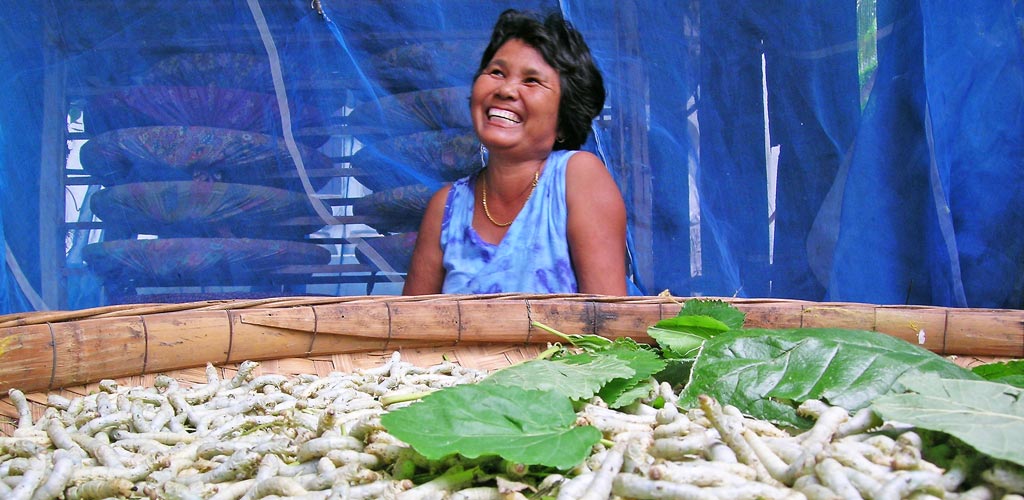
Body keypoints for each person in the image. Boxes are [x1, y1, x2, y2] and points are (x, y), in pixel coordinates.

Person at [402, 9, 628, 295]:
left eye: (531, 80)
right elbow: (410, 330)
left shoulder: (578, 177)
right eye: (496, 72)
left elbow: (608, 329)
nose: (506, 89)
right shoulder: (446, 207)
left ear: (563, 119)